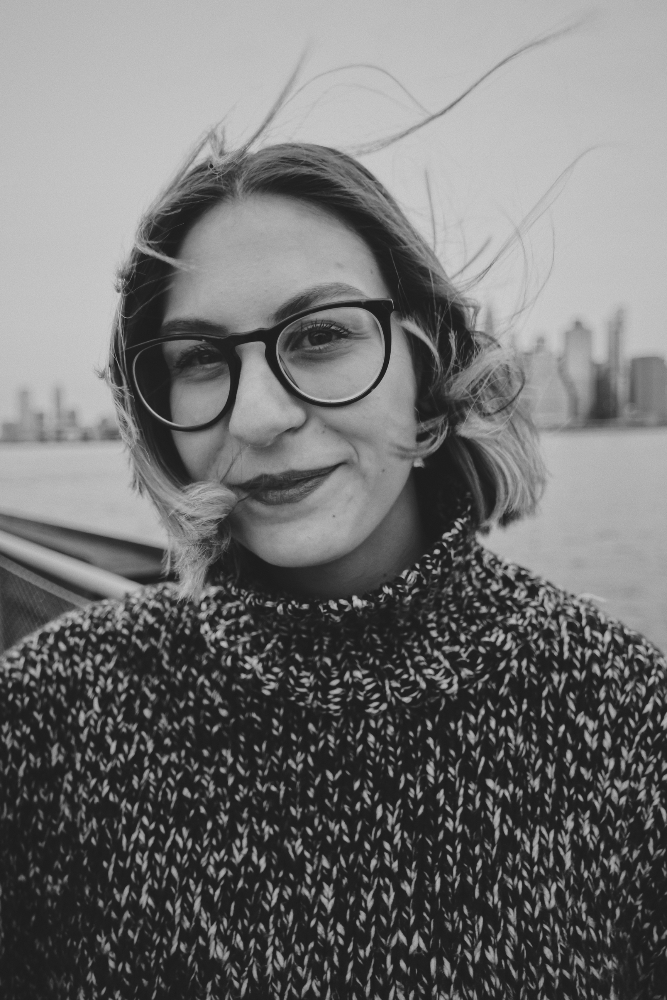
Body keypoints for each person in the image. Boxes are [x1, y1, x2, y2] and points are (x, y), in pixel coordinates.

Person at [1, 116, 666, 1000]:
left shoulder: (624, 717)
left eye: (319, 336)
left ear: (427, 360)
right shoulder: (53, 713)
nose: (259, 418)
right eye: (201, 358)